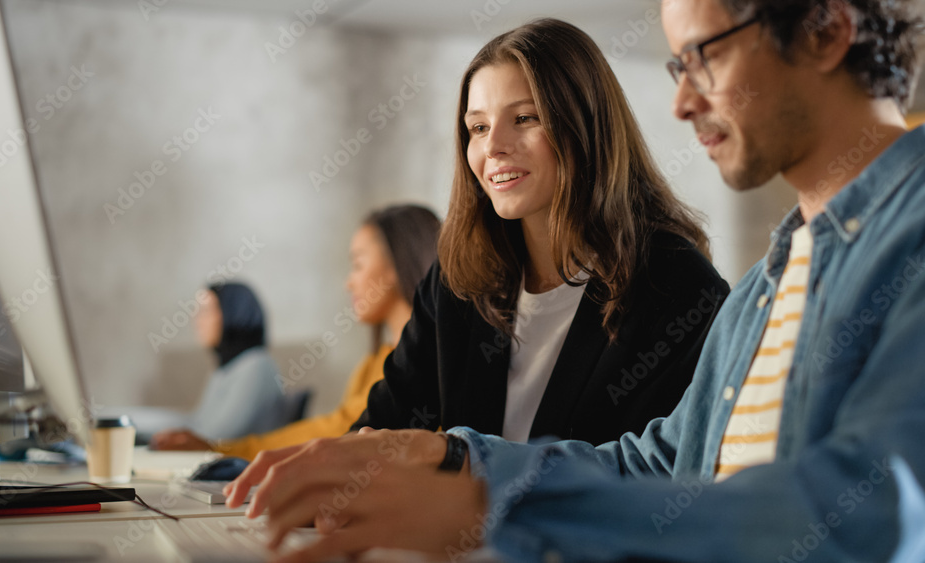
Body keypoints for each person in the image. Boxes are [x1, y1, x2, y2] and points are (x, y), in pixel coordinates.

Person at [223, 4, 925, 563]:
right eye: (676, 65)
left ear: (825, 29)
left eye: (703, 56)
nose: (681, 102)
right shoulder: (762, 290)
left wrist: (493, 514)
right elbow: (654, 463)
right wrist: (457, 454)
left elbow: (876, 510)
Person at [345, 11, 729, 450]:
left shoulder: (676, 285)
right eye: (478, 127)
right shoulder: (458, 279)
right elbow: (378, 429)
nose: (493, 147)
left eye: (525, 118)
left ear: (586, 126)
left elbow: (658, 475)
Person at [150, 205, 442, 455]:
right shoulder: (373, 362)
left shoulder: (421, 365)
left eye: (358, 264)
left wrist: (223, 451)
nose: (348, 282)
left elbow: (339, 429)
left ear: (396, 263)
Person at [140, 282, 289, 445]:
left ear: (232, 313)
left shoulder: (257, 365)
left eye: (205, 312)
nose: (196, 320)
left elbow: (216, 437)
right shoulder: (226, 367)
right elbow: (198, 423)